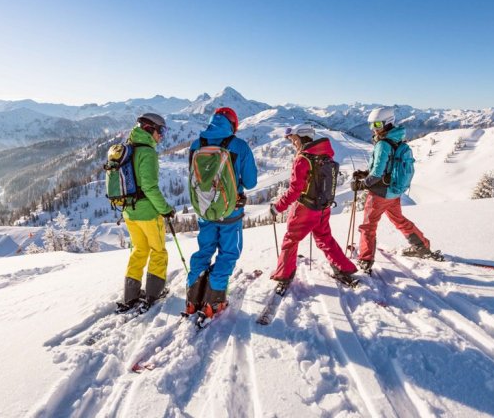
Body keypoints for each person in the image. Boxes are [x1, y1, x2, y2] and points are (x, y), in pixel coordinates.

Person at [185, 107, 258, 318]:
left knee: (204, 250)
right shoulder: (239, 146)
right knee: (228, 253)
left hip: (205, 210)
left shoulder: (197, 144)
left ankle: (192, 299)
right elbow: (251, 182)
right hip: (230, 211)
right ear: (233, 125)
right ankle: (213, 303)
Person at [270, 124, 357, 289]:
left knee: (291, 239)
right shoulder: (325, 155)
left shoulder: (303, 159)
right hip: (324, 207)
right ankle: (343, 269)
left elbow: (295, 190)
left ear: (301, 138)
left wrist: (277, 207)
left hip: (305, 208)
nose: (293, 143)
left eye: (294, 139)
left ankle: (284, 275)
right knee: (325, 238)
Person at [352, 106, 432, 274]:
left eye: (378, 124)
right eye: (371, 125)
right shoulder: (396, 139)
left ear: (388, 123)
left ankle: (365, 260)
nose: (374, 129)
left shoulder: (382, 144)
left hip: (379, 194)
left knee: (368, 226)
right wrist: (365, 174)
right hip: (393, 191)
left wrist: (362, 184)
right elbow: (385, 167)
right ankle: (422, 246)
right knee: (399, 220)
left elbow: (378, 173)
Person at [118, 113, 175, 312]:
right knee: (158, 251)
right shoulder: (148, 153)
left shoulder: (129, 148)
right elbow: (150, 187)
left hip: (129, 212)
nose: (162, 136)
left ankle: (130, 295)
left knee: (139, 251)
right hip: (148, 213)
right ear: (151, 130)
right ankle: (153, 293)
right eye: (162, 131)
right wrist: (165, 209)